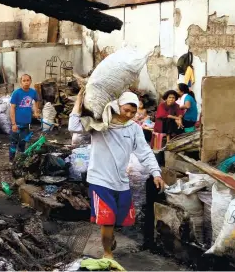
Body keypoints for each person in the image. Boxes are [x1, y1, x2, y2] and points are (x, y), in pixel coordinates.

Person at [69, 89, 165, 260]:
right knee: (107, 219)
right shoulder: (100, 124)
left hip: (121, 181)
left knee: (118, 219)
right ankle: (107, 254)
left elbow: (145, 152)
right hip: (99, 179)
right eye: (125, 110)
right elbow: (74, 126)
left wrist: (156, 172)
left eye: (133, 112)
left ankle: (109, 237)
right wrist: (78, 102)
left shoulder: (134, 128)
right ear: (117, 106)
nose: (128, 114)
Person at [9, 74, 40, 163]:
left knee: (23, 143)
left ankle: (20, 162)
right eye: (24, 81)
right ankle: (11, 162)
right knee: (14, 143)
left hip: (26, 123)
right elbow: (12, 108)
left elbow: (36, 100)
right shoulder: (16, 93)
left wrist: (36, 111)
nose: (26, 82)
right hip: (17, 123)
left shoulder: (33, 92)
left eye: (28, 80)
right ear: (21, 82)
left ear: (30, 81)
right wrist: (13, 123)